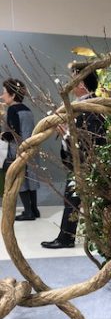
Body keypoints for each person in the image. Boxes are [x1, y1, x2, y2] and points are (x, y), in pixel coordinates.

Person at [41, 63, 105, 249]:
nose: (69, 84)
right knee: (72, 199)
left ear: (82, 83)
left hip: (89, 165)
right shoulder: (79, 106)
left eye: (73, 79)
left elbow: (91, 140)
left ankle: (70, 238)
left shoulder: (91, 107)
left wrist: (67, 135)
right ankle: (67, 237)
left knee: (75, 199)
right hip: (81, 164)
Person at [1, 78, 40, 220]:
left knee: (21, 179)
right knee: (31, 178)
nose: (2, 96)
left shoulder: (12, 110)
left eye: (4, 92)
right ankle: (34, 209)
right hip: (31, 148)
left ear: (12, 95)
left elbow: (13, 134)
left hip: (19, 150)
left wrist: (2, 134)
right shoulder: (27, 110)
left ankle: (28, 212)